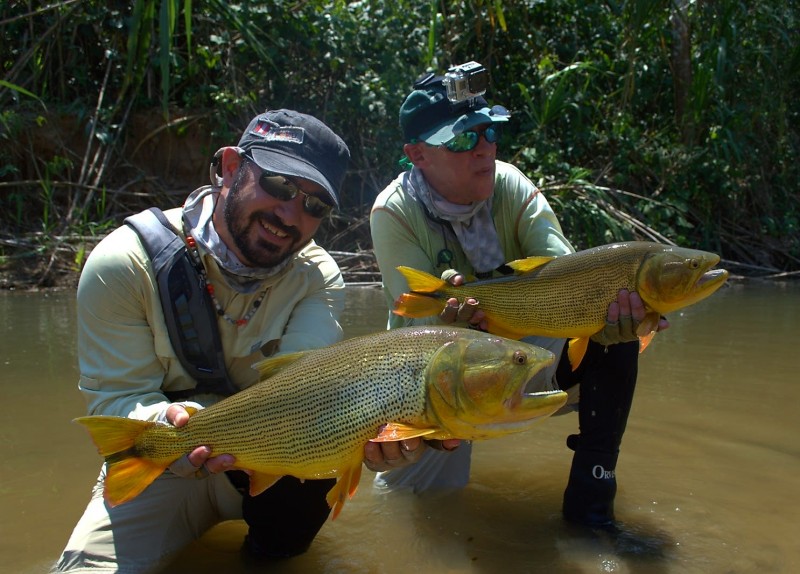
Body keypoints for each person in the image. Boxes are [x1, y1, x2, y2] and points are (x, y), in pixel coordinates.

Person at [52, 109, 390, 572]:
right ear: (231, 167)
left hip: (270, 464)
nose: (290, 214)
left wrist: (384, 433)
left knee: (315, 472)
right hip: (163, 464)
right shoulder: (125, 263)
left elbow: (308, 391)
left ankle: (269, 556)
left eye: (314, 206)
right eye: (280, 186)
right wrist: (168, 422)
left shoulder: (317, 276)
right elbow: (116, 401)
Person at [368, 68, 669, 529]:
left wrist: (617, 306)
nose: (485, 147)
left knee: (613, 331)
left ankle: (592, 499)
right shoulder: (394, 211)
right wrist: (457, 317)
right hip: (434, 374)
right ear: (418, 155)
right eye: (464, 139)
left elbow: (568, 277)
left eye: (489, 131)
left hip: (520, 355)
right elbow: (416, 324)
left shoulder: (510, 183)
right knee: (406, 510)